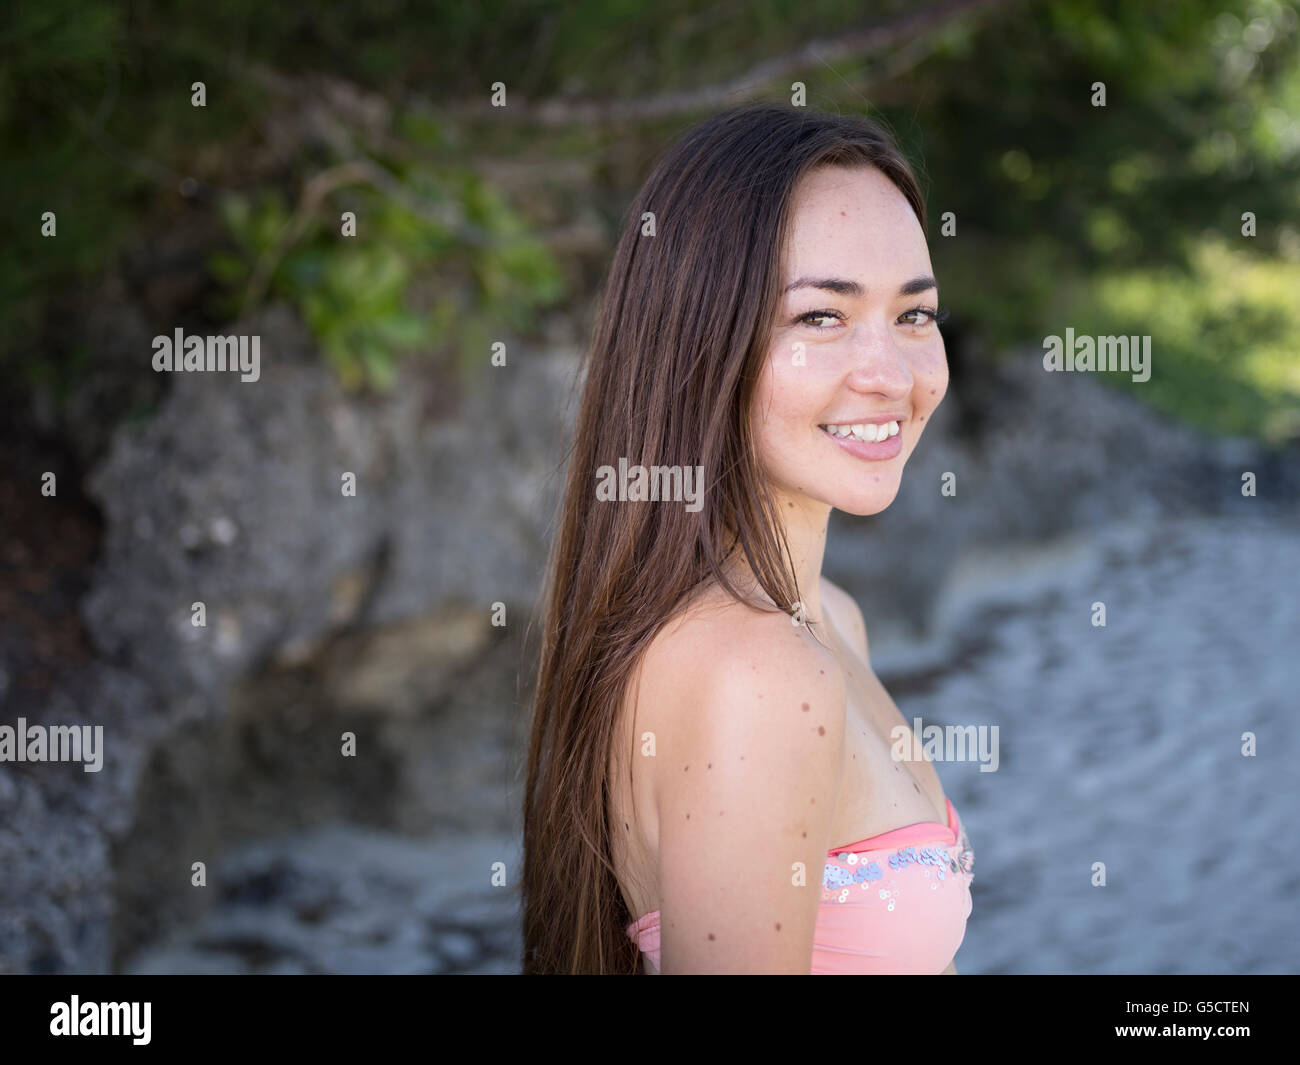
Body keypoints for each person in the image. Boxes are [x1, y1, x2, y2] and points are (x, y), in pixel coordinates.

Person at [522, 103, 973, 974]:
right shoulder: (761, 674)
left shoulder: (829, 620)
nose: (890, 374)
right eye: (820, 317)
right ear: (702, 341)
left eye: (915, 314)